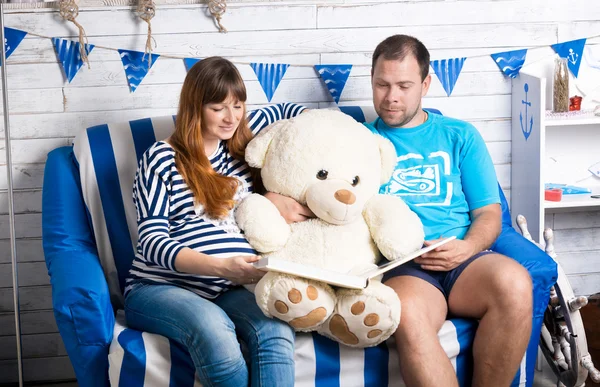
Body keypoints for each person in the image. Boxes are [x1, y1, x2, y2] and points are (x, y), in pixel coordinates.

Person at [267, 35, 533, 387]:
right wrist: (273, 198)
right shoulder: (356, 140)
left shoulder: (460, 135)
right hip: (403, 265)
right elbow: (310, 177)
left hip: (463, 259)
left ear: (425, 84)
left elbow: (489, 213)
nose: (391, 96)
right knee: (407, 316)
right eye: (382, 84)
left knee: (516, 284)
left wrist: (467, 247)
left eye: (404, 86)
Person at [123, 56, 305, 387]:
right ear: (195, 107)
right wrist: (220, 266)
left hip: (223, 288)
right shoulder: (162, 158)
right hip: (159, 288)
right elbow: (151, 242)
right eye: (218, 107)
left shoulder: (239, 156)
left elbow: (288, 112)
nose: (231, 117)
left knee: (276, 329)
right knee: (214, 330)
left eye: (238, 105)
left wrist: (272, 199)